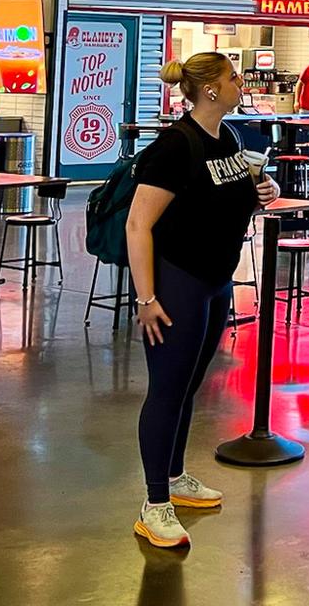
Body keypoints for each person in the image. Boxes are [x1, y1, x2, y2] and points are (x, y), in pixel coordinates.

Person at [124, 52, 279, 549]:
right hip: (177, 284)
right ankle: (154, 505)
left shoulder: (228, 138)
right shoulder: (175, 146)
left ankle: (173, 478)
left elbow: (232, 197)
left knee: (189, 385)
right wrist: (147, 297)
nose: (241, 83)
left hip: (216, 282)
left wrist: (262, 191)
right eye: (234, 77)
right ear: (210, 89)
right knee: (167, 390)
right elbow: (138, 224)